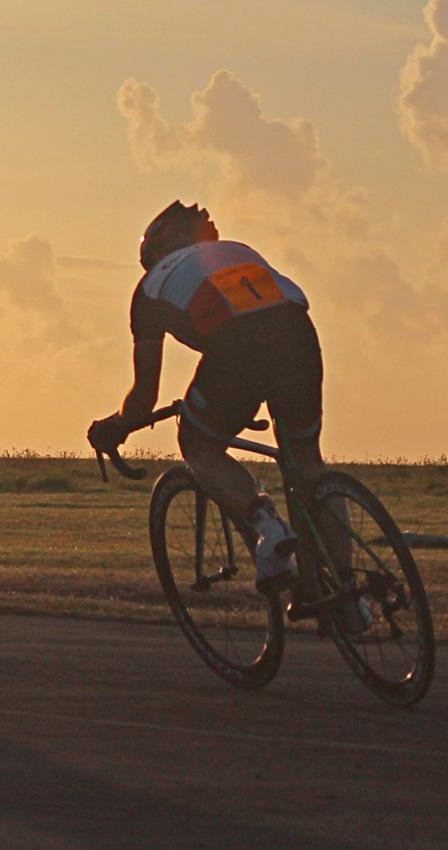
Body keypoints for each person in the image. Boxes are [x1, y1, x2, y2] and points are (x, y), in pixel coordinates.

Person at [89, 201, 325, 597]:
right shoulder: (236, 250)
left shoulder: (150, 289)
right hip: (298, 332)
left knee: (198, 444)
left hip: (239, 346)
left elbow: (144, 398)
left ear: (152, 255)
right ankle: (346, 597)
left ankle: (267, 524)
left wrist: (118, 425)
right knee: (308, 465)